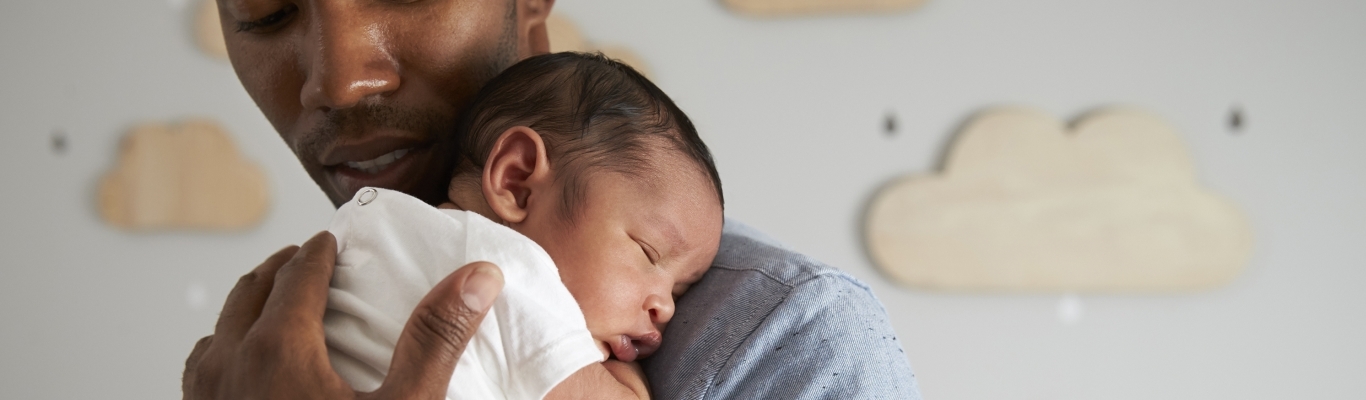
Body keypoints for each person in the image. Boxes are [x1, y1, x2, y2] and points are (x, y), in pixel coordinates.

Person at [182, 1, 922, 399]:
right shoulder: (272, 340)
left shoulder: (787, 338)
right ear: (512, 180)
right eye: (267, 10)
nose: (338, 80)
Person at [325, 52, 723, 400]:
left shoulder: (376, 231)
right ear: (517, 182)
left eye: (680, 289)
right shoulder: (508, 271)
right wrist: (626, 377)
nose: (667, 307)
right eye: (648, 250)